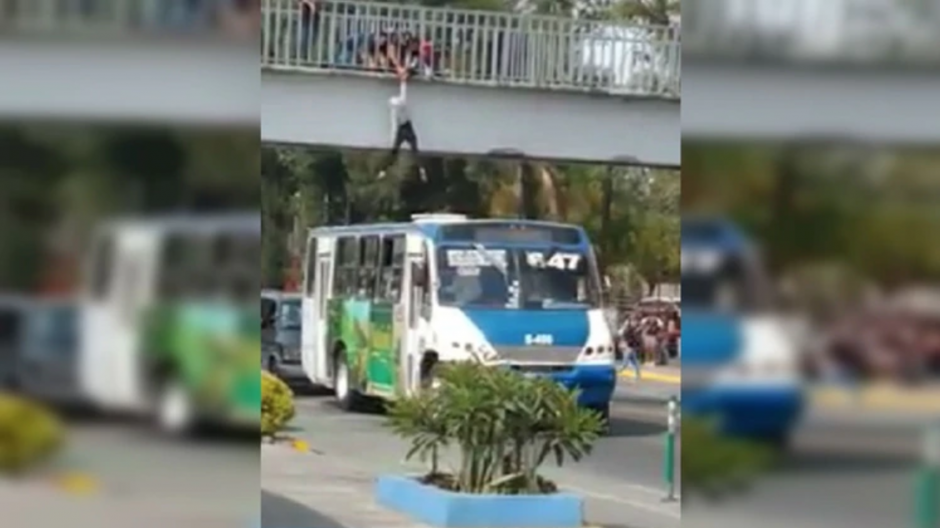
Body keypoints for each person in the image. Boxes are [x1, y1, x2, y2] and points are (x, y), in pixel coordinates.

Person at [376, 61, 427, 181]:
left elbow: (394, 124)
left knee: (396, 152)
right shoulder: (400, 104)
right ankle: (421, 170)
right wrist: (403, 80)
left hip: (403, 128)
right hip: (406, 127)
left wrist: (403, 80)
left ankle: (383, 170)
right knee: (414, 150)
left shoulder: (396, 108)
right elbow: (403, 92)